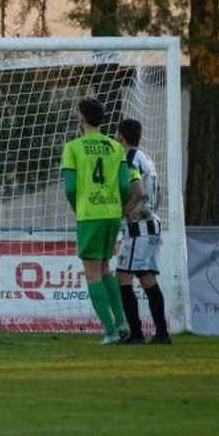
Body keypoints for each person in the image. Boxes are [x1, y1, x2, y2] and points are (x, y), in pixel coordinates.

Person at [61, 98, 132, 345]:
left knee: (92, 273)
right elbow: (125, 185)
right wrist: (118, 207)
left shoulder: (73, 147)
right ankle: (122, 324)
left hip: (89, 214)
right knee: (104, 269)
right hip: (112, 214)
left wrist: (78, 206)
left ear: (81, 119)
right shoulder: (116, 147)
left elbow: (70, 188)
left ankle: (110, 330)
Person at [113, 119, 169, 345]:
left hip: (139, 229)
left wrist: (125, 212)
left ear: (120, 137)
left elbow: (137, 191)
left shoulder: (129, 158)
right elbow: (159, 194)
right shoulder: (147, 158)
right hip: (152, 224)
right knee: (147, 279)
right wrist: (148, 211)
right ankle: (162, 334)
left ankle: (136, 334)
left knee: (122, 278)